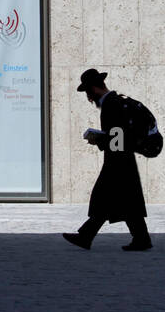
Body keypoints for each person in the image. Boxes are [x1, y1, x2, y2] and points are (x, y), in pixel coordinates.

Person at [63, 68, 152, 252]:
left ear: (94, 89)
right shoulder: (116, 101)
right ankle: (140, 239)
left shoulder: (110, 104)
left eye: (88, 93)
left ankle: (86, 236)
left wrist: (99, 140)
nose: (89, 98)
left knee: (105, 199)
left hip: (117, 161)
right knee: (126, 202)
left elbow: (117, 137)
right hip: (122, 160)